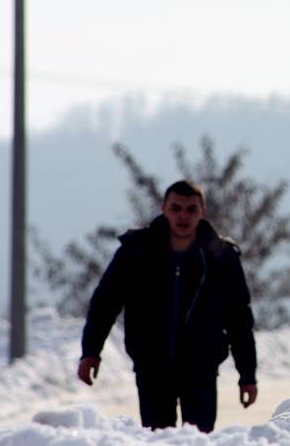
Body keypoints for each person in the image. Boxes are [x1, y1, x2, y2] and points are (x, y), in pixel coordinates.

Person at [76, 180, 258, 433]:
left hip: (201, 370)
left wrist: (247, 376)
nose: (183, 216)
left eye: (191, 209)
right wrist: (90, 352)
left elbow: (239, 318)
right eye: (176, 208)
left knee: (198, 443)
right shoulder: (136, 251)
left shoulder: (221, 256)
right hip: (152, 368)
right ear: (164, 209)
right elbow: (104, 304)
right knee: (158, 445)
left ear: (202, 212)